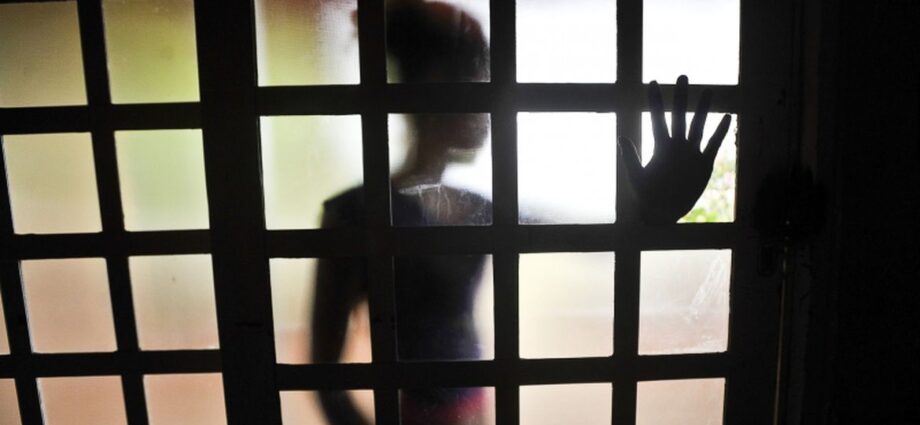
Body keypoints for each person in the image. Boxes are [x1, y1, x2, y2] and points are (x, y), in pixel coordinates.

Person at [311, 2, 731, 424]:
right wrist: (650, 214)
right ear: (438, 83)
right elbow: (327, 379)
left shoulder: (465, 207)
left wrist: (652, 212)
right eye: (481, 79)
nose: (493, 104)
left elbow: (591, 242)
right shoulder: (359, 214)